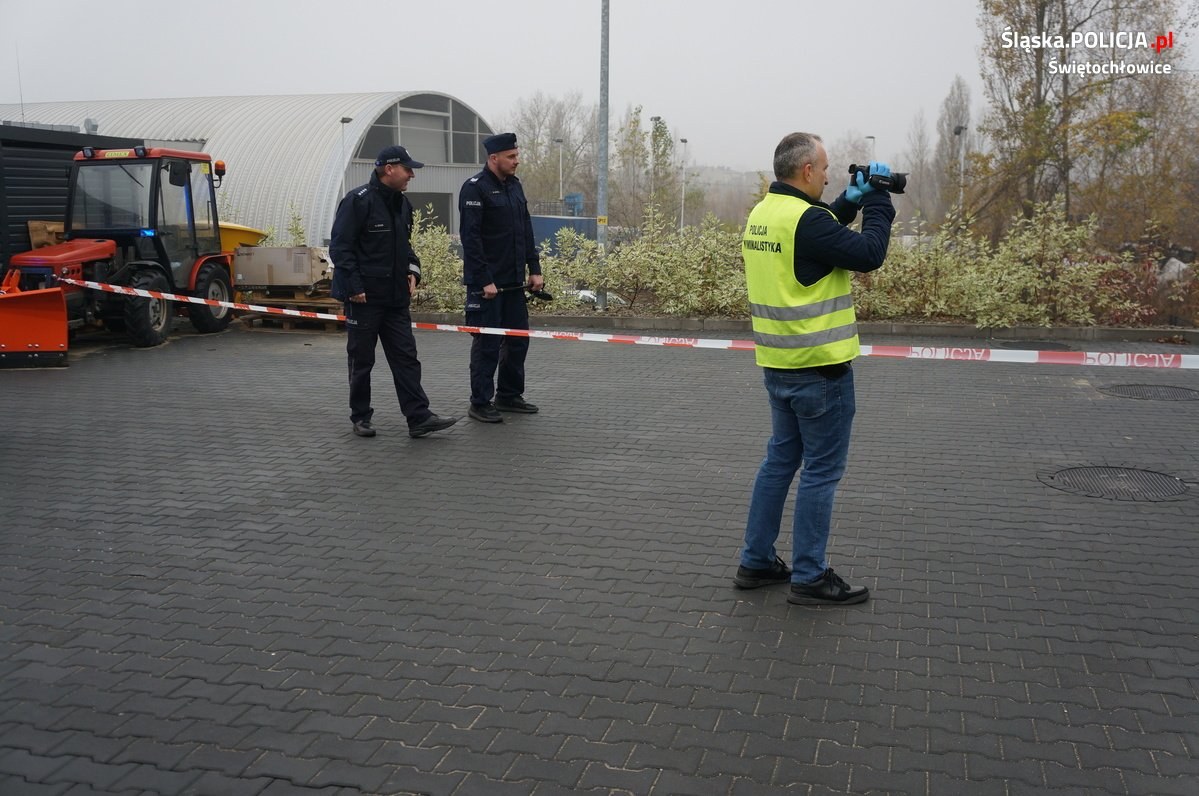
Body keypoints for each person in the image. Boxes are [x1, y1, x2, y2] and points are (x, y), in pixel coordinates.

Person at [733, 132, 895, 606]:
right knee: (821, 472)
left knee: (780, 462)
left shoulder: (764, 214)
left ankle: (756, 560)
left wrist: (848, 200)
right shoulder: (806, 220)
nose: (828, 175)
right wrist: (879, 202)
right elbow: (868, 255)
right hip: (821, 371)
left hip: (778, 365)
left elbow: (815, 238)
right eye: (825, 169)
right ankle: (809, 575)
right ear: (806, 171)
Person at [330, 145, 459, 439]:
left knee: (406, 358)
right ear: (389, 169)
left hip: (395, 298)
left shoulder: (403, 205)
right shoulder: (357, 202)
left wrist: (413, 270)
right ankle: (361, 416)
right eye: (407, 168)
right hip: (364, 299)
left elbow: (405, 247)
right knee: (362, 360)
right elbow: (340, 247)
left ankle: (419, 417)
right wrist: (354, 288)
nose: (412, 174)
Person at [458, 132, 543, 423]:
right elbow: (471, 240)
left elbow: (525, 231)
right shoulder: (475, 189)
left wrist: (535, 268)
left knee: (518, 341)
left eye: (516, 155)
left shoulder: (515, 188)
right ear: (494, 158)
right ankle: (480, 402)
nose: (517, 161)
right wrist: (483, 279)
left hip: (513, 283)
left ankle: (508, 395)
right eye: (511, 156)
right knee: (487, 344)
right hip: (488, 286)